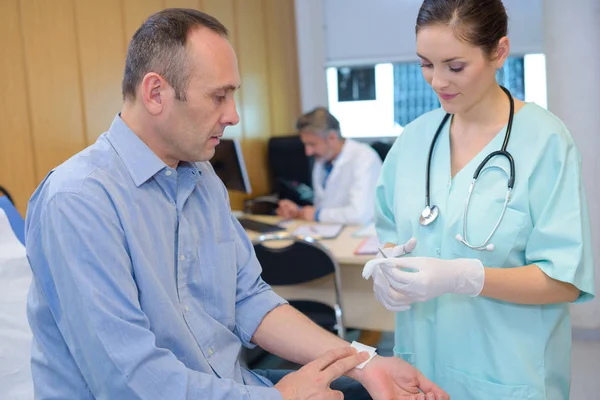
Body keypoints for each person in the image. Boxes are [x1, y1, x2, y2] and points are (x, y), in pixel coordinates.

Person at [24, 8, 448, 400]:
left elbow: (249, 301)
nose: (233, 115)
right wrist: (279, 397)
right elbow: (129, 379)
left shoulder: (202, 179)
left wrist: (365, 363)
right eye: (218, 96)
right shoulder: (79, 201)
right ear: (155, 92)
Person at [363, 0, 595, 399]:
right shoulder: (414, 140)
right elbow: (390, 233)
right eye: (425, 64)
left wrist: (465, 277)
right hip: (420, 373)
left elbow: (564, 280)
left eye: (455, 67)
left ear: (499, 52)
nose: (437, 82)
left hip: (507, 376)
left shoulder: (544, 142)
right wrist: (389, 270)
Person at [276, 107, 382, 225]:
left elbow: (359, 214)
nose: (308, 152)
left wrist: (316, 214)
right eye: (305, 145)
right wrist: (298, 211)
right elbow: (323, 207)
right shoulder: (323, 160)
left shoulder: (364, 157)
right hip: (330, 232)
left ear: (332, 137)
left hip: (361, 235)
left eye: (312, 144)